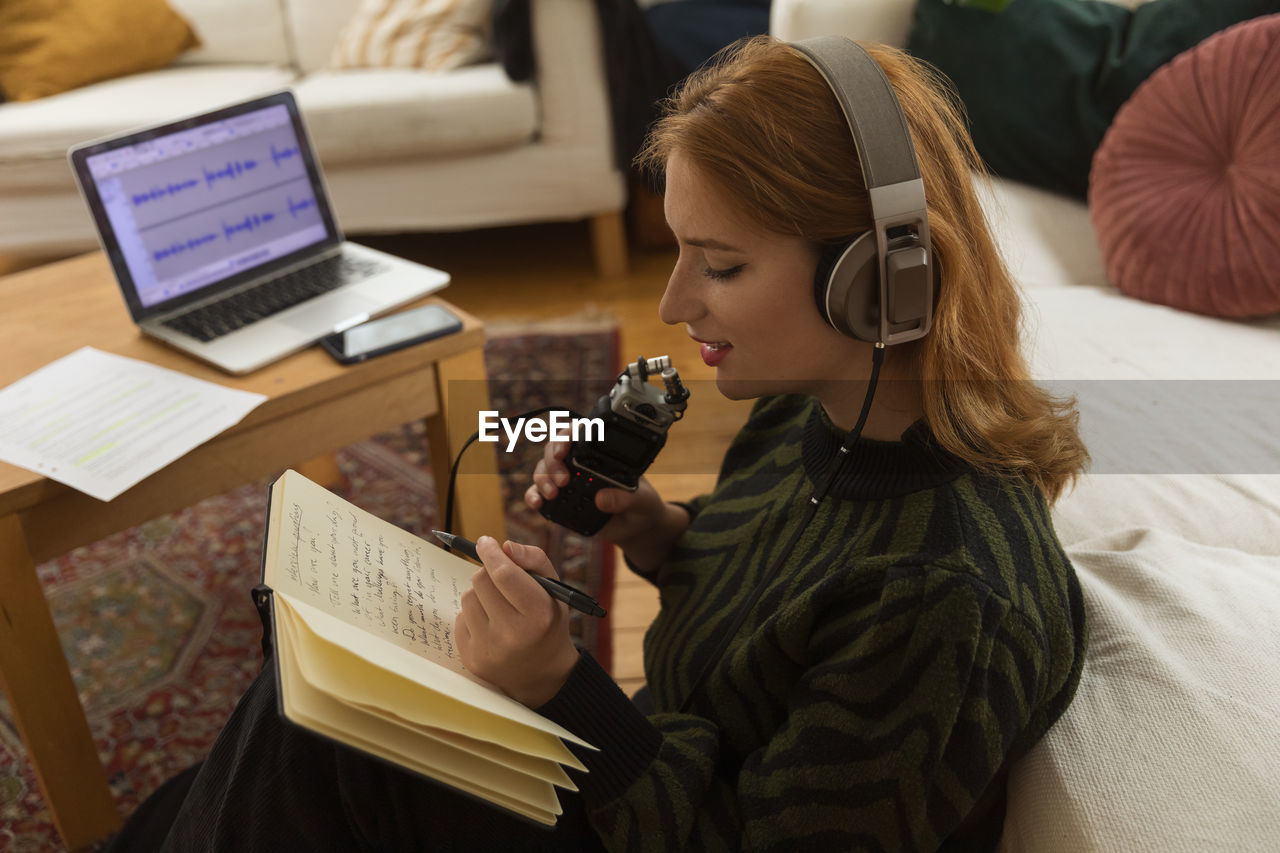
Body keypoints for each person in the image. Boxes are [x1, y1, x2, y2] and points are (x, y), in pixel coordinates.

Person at [128, 35, 1088, 851]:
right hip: (649, 765)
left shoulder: (944, 604)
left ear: (880, 281)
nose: (674, 305)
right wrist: (669, 535)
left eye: (720, 265)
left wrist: (561, 686)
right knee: (314, 694)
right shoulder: (818, 407)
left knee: (307, 742)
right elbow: (799, 579)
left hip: (655, 812)